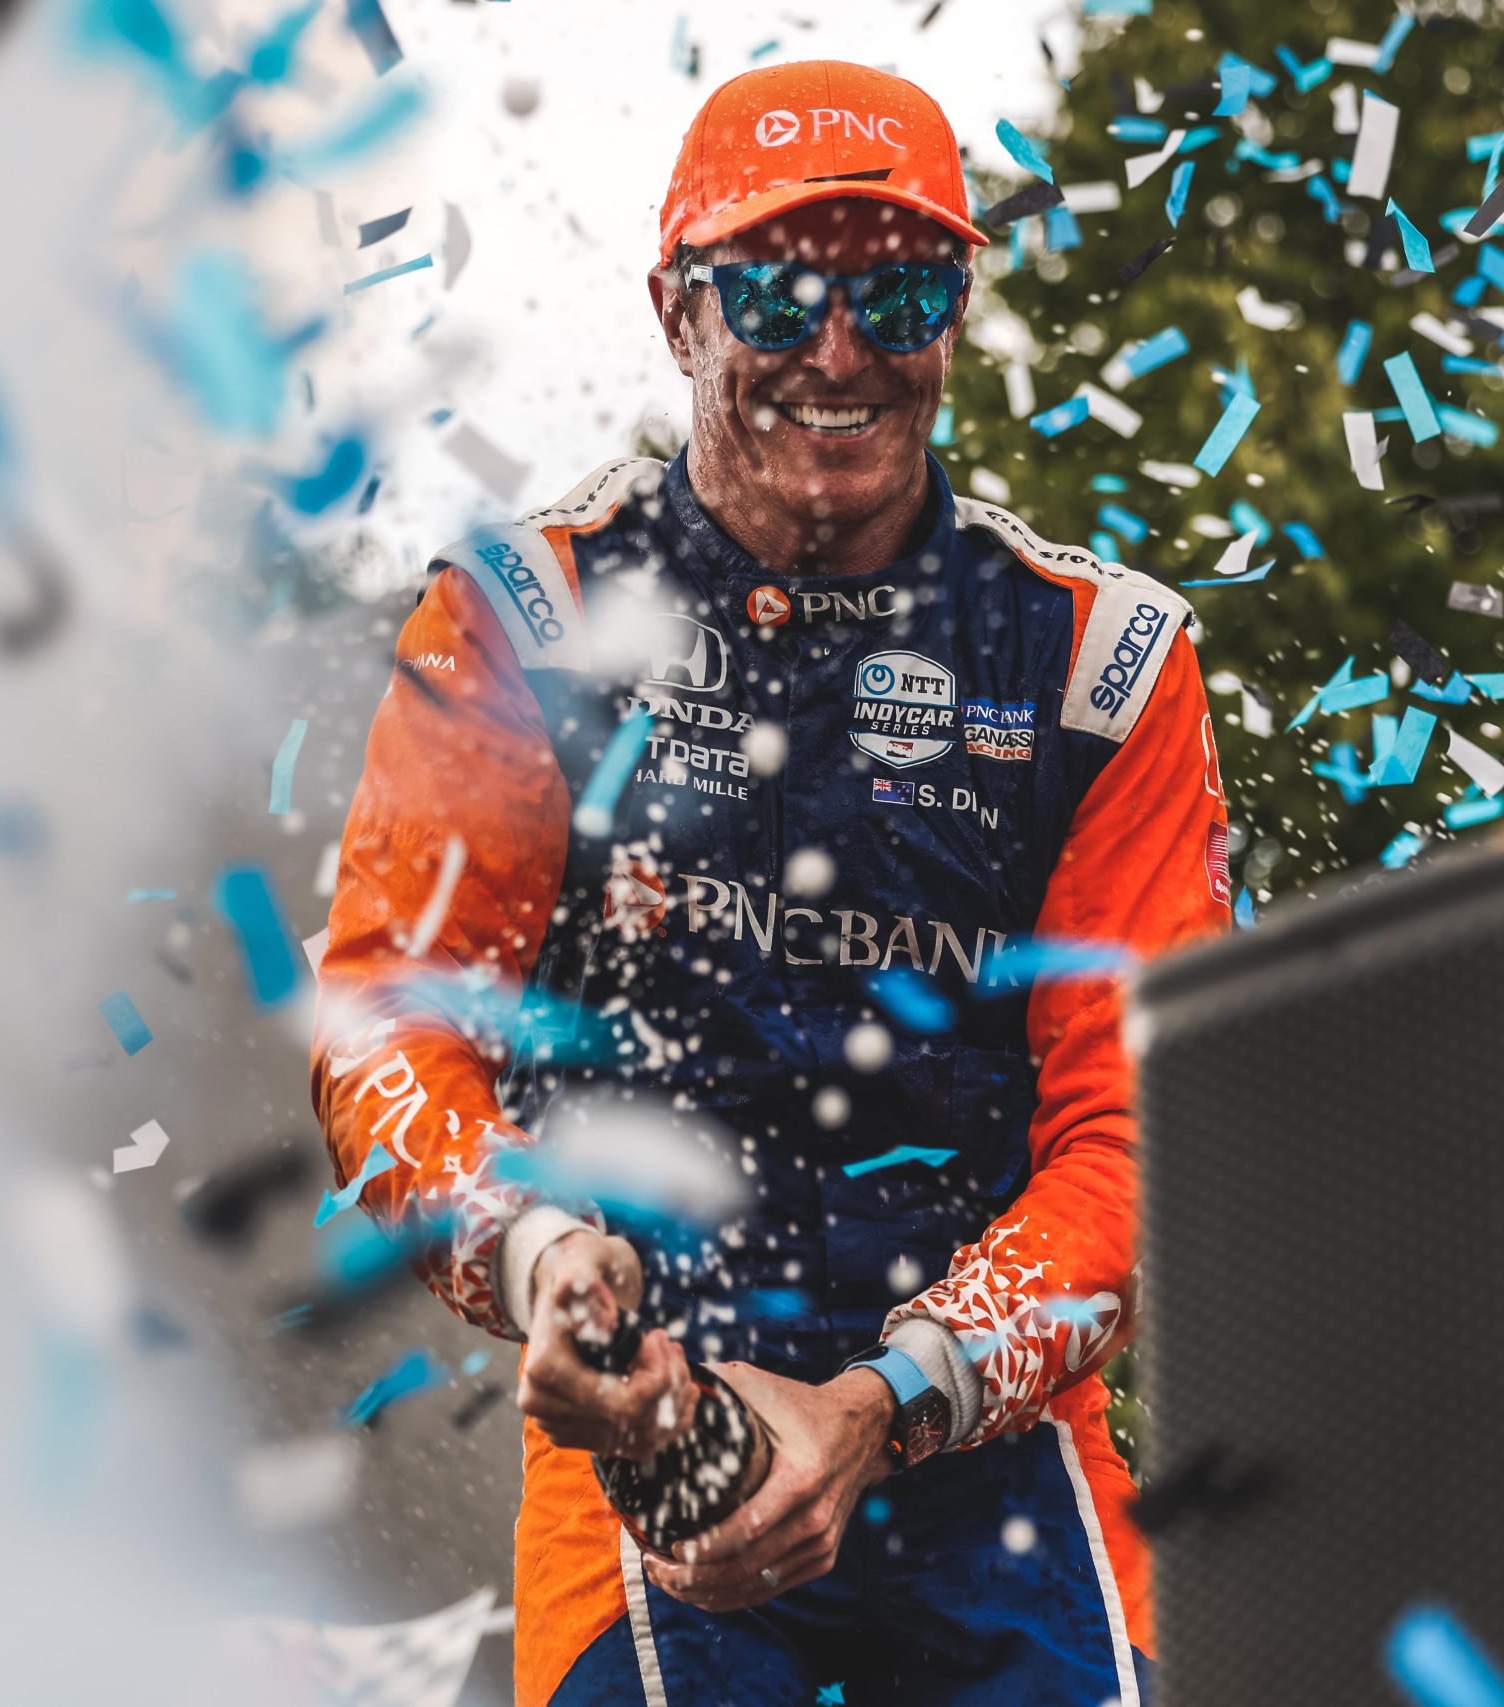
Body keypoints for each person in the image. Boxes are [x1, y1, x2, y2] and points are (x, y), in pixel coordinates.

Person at [312, 58, 1229, 1707]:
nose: (838, 351)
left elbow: (1134, 1137)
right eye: (779, 290)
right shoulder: (527, 621)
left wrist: (883, 1404)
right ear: (680, 310)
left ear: (957, 312)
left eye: (899, 291)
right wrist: (537, 1258)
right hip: (653, 1431)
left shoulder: (1103, 661)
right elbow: (390, 1023)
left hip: (998, 1443)